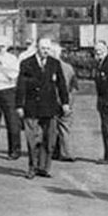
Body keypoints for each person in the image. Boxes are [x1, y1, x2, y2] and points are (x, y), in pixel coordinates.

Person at [15, 37, 70, 179]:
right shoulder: (26, 63)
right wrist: (19, 105)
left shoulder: (55, 63)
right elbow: (21, 86)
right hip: (31, 107)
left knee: (49, 139)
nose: (46, 51)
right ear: (37, 48)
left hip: (49, 107)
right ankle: (32, 167)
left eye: (48, 48)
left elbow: (62, 85)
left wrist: (65, 103)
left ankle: (44, 167)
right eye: (43, 48)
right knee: (32, 139)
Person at [50, 43, 78, 162]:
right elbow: (74, 87)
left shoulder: (51, 67)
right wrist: (70, 101)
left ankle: (64, 152)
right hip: (67, 101)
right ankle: (62, 151)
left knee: (53, 127)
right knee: (64, 127)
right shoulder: (69, 67)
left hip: (55, 100)